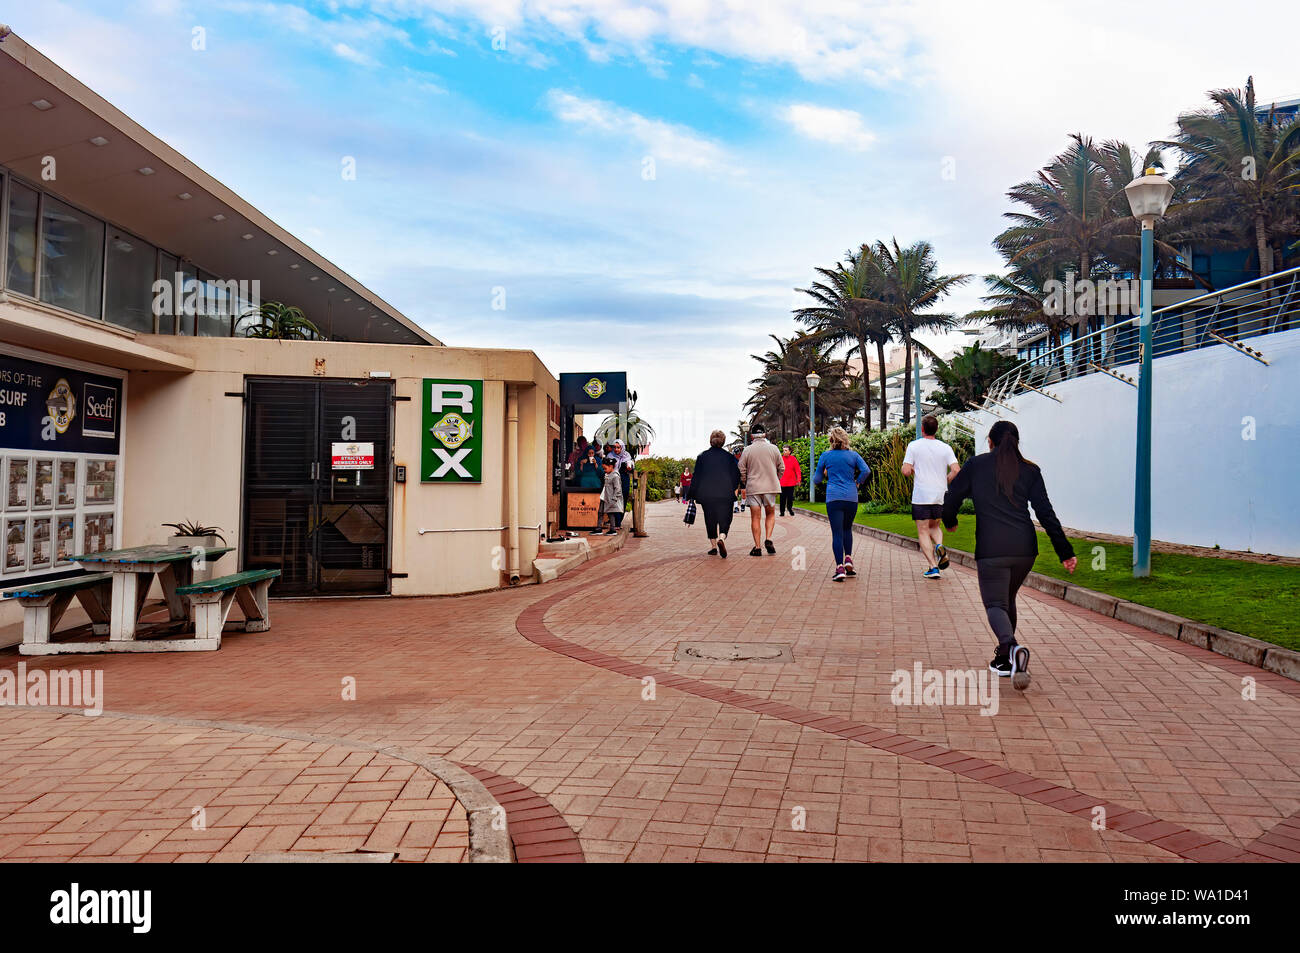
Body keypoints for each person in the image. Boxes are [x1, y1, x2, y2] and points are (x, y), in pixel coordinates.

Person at [942, 420, 1077, 691]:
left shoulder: (976, 465)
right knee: (1006, 599)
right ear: (1016, 442)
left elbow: (952, 495)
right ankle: (1004, 660)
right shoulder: (1030, 470)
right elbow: (1045, 513)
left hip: (992, 549)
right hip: (1025, 550)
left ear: (990, 441)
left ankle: (1013, 650)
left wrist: (949, 519)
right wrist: (1065, 551)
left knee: (994, 605)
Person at [902, 415, 961, 580]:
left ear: (922, 429)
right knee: (935, 527)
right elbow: (956, 469)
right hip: (939, 494)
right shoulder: (945, 447)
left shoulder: (914, 446)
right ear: (936, 429)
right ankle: (940, 546)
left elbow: (906, 471)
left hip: (921, 495)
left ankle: (933, 567)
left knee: (923, 530)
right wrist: (945, 480)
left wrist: (909, 469)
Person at [812, 426, 870, 581]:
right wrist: (858, 482)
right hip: (851, 497)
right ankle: (848, 559)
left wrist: (825, 473)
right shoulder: (853, 455)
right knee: (847, 529)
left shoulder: (826, 456)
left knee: (837, 533)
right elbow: (866, 470)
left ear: (831, 440)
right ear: (845, 440)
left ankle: (839, 568)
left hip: (834, 497)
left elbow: (816, 480)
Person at [686, 430, 741, 557]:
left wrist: (692, 494)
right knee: (725, 517)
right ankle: (721, 537)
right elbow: (736, 475)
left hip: (707, 495)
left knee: (710, 519)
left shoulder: (702, 457)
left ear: (710, 440)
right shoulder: (729, 458)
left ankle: (713, 546)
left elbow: (696, 477)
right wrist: (732, 487)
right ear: (723, 441)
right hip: (725, 494)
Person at [738, 424, 784, 556]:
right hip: (770, 487)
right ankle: (768, 538)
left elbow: (741, 468)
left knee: (755, 517)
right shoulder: (774, 449)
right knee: (770, 514)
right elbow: (782, 468)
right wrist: (775, 478)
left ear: (752, 436)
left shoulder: (747, 450)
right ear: (764, 434)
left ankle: (757, 547)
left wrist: (746, 481)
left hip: (754, 488)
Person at [599, 456, 625, 535]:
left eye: (605, 468)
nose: (604, 470)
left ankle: (612, 529)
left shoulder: (615, 476)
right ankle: (598, 527)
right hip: (604, 496)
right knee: (600, 512)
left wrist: (614, 498)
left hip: (611, 498)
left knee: (611, 513)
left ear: (611, 466)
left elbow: (618, 489)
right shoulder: (607, 474)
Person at [778, 444, 802, 517]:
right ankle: (782, 511)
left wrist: (799, 480)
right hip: (782, 482)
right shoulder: (780, 459)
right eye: (783, 450)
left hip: (791, 482)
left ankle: (789, 509)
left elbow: (797, 470)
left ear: (790, 451)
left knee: (790, 498)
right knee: (782, 498)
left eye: (786, 450)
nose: (784, 452)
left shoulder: (793, 459)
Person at [611, 439, 634, 503]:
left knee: (624, 498)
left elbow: (631, 465)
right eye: (614, 447)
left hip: (624, 480)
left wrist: (630, 467)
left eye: (618, 447)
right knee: (614, 500)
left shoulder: (627, 455)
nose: (616, 449)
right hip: (613, 481)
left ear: (622, 448)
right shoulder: (610, 455)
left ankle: (622, 512)